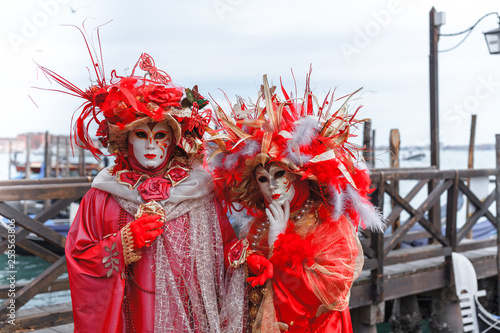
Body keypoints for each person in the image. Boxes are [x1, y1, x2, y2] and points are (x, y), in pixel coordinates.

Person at [38, 36, 249, 332]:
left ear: (174, 141)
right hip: (132, 318)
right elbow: (80, 259)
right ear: (125, 139)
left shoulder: (199, 193)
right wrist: (122, 244)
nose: (151, 145)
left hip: (190, 318)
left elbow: (223, 252)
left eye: (160, 135)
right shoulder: (103, 197)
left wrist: (252, 252)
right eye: (141, 134)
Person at [208, 74, 385, 332]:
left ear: (300, 175)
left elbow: (326, 294)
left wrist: (279, 244)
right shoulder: (256, 226)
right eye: (263, 178)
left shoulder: (329, 225)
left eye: (280, 174)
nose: (272, 185)